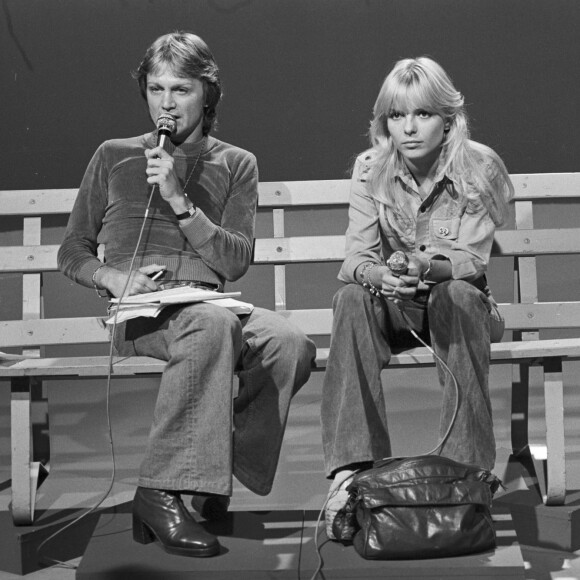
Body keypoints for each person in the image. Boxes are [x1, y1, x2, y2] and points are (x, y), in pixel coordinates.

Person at [58, 31, 315, 557]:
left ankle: (209, 474)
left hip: (208, 306)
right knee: (212, 326)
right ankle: (160, 490)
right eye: (156, 89)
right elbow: (73, 250)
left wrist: (181, 202)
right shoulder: (113, 155)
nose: (167, 104)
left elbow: (236, 261)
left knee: (290, 342)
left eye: (181, 89)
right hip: (142, 314)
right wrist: (111, 278)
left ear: (208, 94)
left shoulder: (236, 163)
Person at [320, 57, 514, 538]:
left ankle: (466, 475)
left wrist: (424, 264)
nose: (408, 128)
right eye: (396, 115)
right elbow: (354, 258)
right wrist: (381, 277)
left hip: (461, 308)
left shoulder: (479, 165)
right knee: (350, 299)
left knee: (456, 295)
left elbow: (472, 261)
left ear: (448, 119)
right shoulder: (371, 168)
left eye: (422, 114)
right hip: (399, 305)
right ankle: (353, 474)